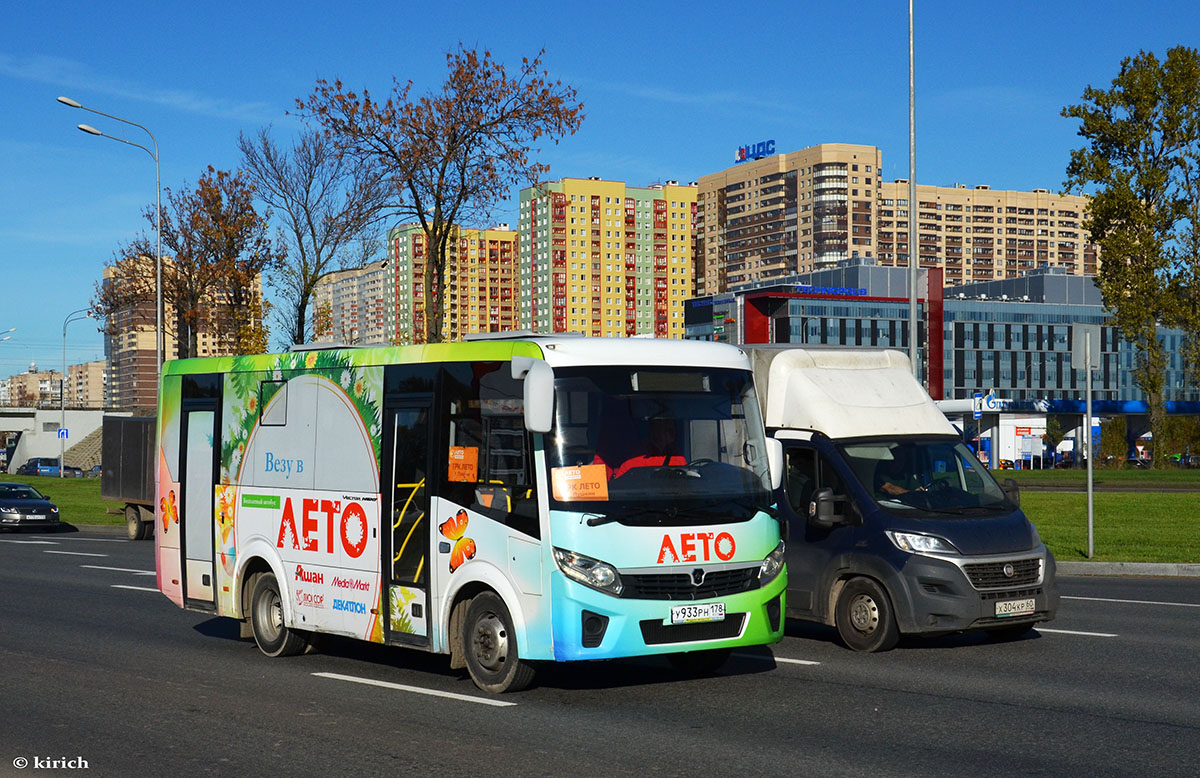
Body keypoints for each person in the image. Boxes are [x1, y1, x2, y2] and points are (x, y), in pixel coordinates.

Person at [596, 416, 687, 479]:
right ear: (654, 430)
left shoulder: (679, 459)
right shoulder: (633, 462)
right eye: (664, 427)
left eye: (671, 429)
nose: (670, 433)